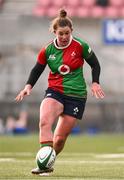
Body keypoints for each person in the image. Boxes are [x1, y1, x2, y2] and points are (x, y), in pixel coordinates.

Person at [15, 9, 105, 175]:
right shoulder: (47, 50)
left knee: (60, 138)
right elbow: (37, 69)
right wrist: (28, 86)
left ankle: (48, 161)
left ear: (72, 31)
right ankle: (44, 167)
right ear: (54, 32)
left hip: (76, 96)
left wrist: (95, 83)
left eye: (67, 33)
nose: (64, 37)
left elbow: (95, 64)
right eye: (60, 34)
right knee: (44, 122)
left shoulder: (80, 46)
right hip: (55, 91)